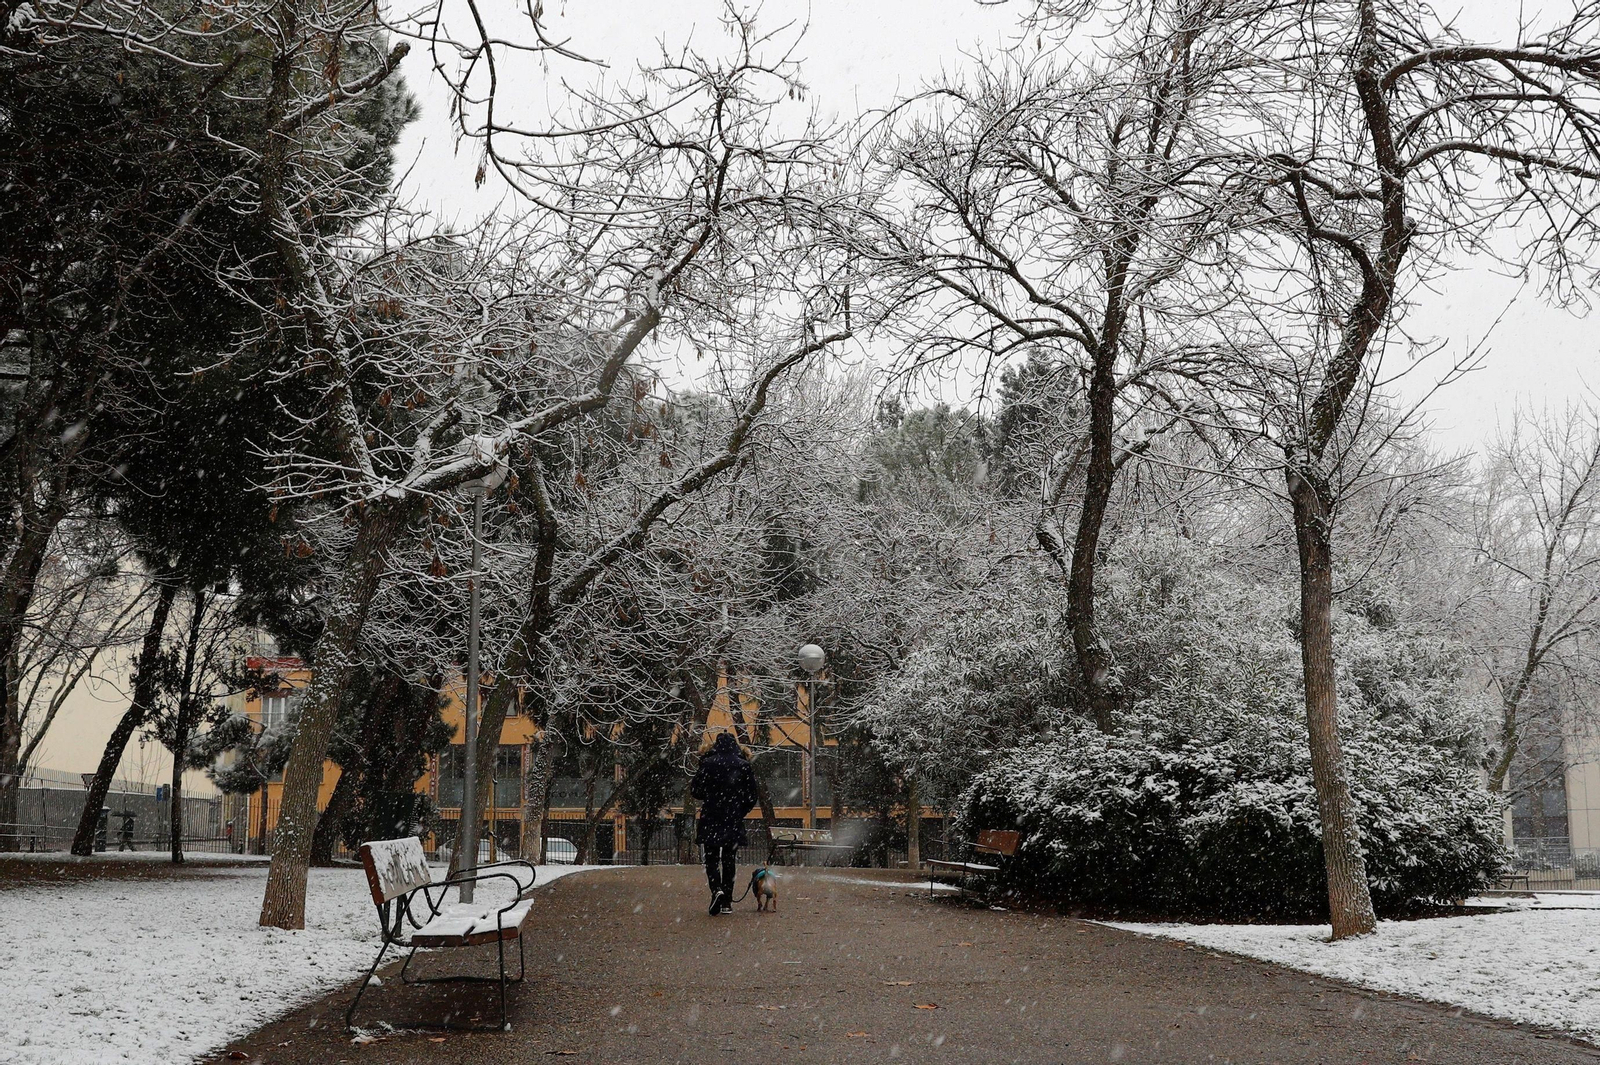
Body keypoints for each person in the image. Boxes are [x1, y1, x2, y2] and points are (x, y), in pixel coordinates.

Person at [690, 732, 758, 916]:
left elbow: (695, 790)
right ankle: (727, 901)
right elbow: (752, 795)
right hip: (732, 819)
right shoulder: (743, 765)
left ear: (715, 746)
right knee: (729, 861)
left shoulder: (708, 763)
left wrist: (711, 796)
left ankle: (716, 890)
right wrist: (739, 810)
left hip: (711, 816)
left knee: (711, 859)